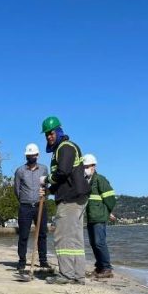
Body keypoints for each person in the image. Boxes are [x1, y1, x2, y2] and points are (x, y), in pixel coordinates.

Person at [40, 116, 90, 285]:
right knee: (75, 238)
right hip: (75, 196)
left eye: (51, 133)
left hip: (70, 199)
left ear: (59, 131)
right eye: (46, 134)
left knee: (63, 237)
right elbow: (64, 177)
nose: (49, 137)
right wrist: (50, 190)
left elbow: (63, 172)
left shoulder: (65, 147)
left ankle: (67, 274)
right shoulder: (61, 149)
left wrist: (46, 180)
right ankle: (78, 275)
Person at [13, 143, 50, 272]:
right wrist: (25, 200)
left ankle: (43, 261)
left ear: (37, 155)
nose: (31, 157)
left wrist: (44, 196)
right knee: (23, 235)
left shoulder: (44, 169)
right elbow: (17, 190)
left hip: (41, 206)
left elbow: (47, 187)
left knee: (42, 234)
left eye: (33, 155)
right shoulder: (20, 171)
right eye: (29, 155)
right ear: (26, 156)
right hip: (25, 207)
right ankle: (22, 261)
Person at [83, 154, 116, 278]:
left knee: (99, 242)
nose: (85, 169)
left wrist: (107, 212)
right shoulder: (86, 181)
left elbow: (111, 198)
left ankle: (107, 268)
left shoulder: (100, 179)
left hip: (99, 217)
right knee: (93, 243)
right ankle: (99, 267)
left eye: (87, 166)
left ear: (94, 166)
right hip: (91, 217)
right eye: (84, 166)